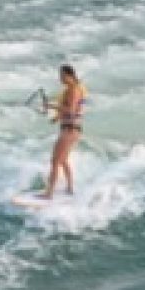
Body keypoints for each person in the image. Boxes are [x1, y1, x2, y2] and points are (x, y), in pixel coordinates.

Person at [39, 64, 87, 200]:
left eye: (62, 76)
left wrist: (51, 106)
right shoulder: (75, 89)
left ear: (69, 75)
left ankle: (49, 193)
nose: (60, 79)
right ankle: (70, 188)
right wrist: (57, 118)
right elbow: (72, 109)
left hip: (70, 129)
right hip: (72, 129)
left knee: (55, 161)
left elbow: (70, 110)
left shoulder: (74, 90)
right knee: (63, 160)